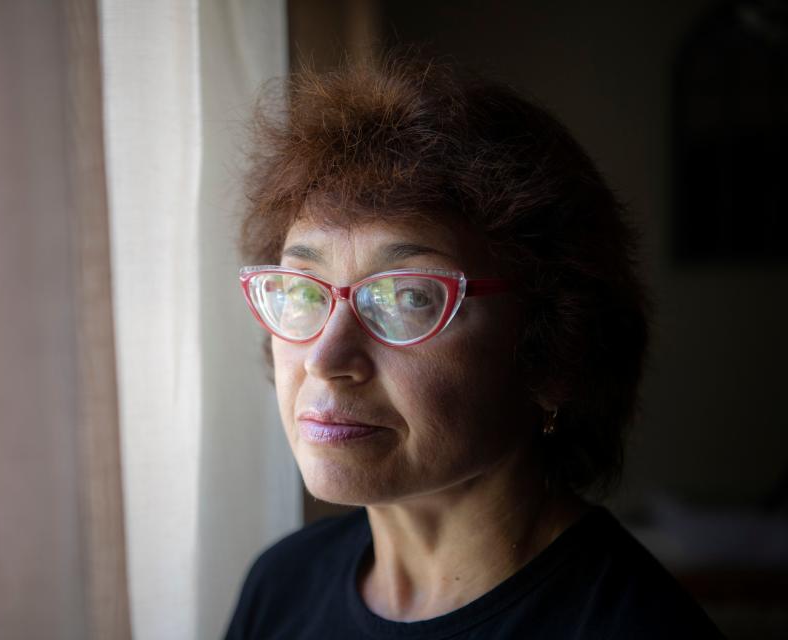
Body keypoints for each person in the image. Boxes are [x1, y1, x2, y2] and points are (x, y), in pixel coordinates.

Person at [226, 56, 723, 639]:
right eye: (301, 292)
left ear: (553, 352)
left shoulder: (638, 628)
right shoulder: (282, 584)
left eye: (409, 297)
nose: (324, 360)